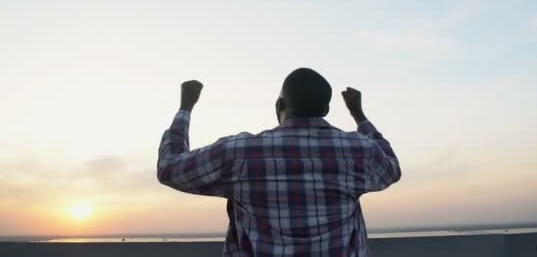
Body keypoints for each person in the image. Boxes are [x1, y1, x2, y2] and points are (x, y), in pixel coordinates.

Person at [157, 68, 401, 256]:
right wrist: (359, 115)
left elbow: (169, 168)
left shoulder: (240, 153)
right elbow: (391, 167)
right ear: (326, 109)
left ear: (279, 105)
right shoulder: (358, 151)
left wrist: (185, 107)